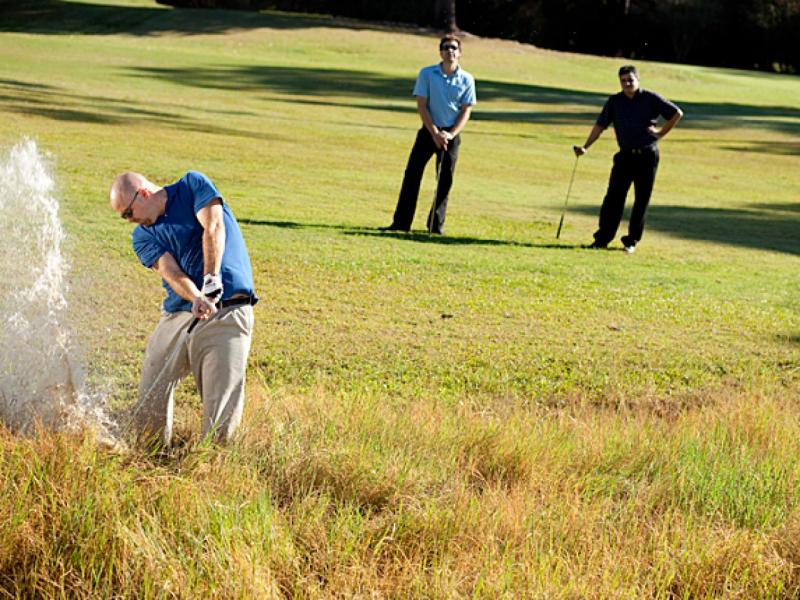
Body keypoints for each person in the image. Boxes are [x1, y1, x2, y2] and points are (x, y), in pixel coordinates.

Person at [109, 170, 257, 447]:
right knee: (151, 393)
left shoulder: (192, 186)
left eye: (128, 213)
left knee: (220, 414)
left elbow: (213, 226)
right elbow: (170, 271)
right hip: (179, 315)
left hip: (227, 313)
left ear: (143, 193)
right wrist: (197, 296)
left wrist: (212, 279)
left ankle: (212, 471)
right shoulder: (142, 236)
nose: (129, 221)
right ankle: (149, 458)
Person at [574, 65, 683, 253]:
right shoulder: (615, 102)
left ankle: (631, 241)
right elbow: (600, 126)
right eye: (623, 81)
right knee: (613, 198)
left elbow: (677, 113)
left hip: (647, 156)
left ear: (638, 79)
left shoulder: (650, 98)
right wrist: (585, 147)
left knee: (641, 199)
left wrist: (660, 132)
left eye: (630, 80)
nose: (627, 83)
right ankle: (602, 238)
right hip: (625, 156)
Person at [379, 34, 477, 234]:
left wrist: (450, 135)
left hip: (451, 134)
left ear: (460, 53)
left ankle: (435, 225)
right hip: (428, 131)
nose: (450, 51)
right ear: (440, 52)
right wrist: (434, 132)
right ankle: (401, 223)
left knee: (445, 180)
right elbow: (422, 105)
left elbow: (466, 110)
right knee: (412, 175)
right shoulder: (427, 74)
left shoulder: (467, 79)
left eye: (454, 48)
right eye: (446, 47)